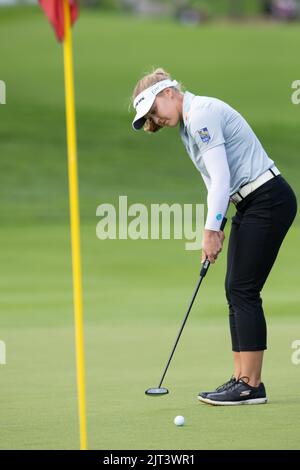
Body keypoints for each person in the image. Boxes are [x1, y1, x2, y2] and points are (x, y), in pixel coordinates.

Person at [130, 67, 297, 406]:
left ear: (168, 93)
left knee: (243, 289)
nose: (155, 120)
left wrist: (209, 232)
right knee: (235, 288)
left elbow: (221, 179)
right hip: (249, 203)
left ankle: (250, 384)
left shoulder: (201, 114)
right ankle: (241, 379)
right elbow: (213, 184)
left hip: (267, 198)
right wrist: (216, 229)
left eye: (153, 111)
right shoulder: (189, 128)